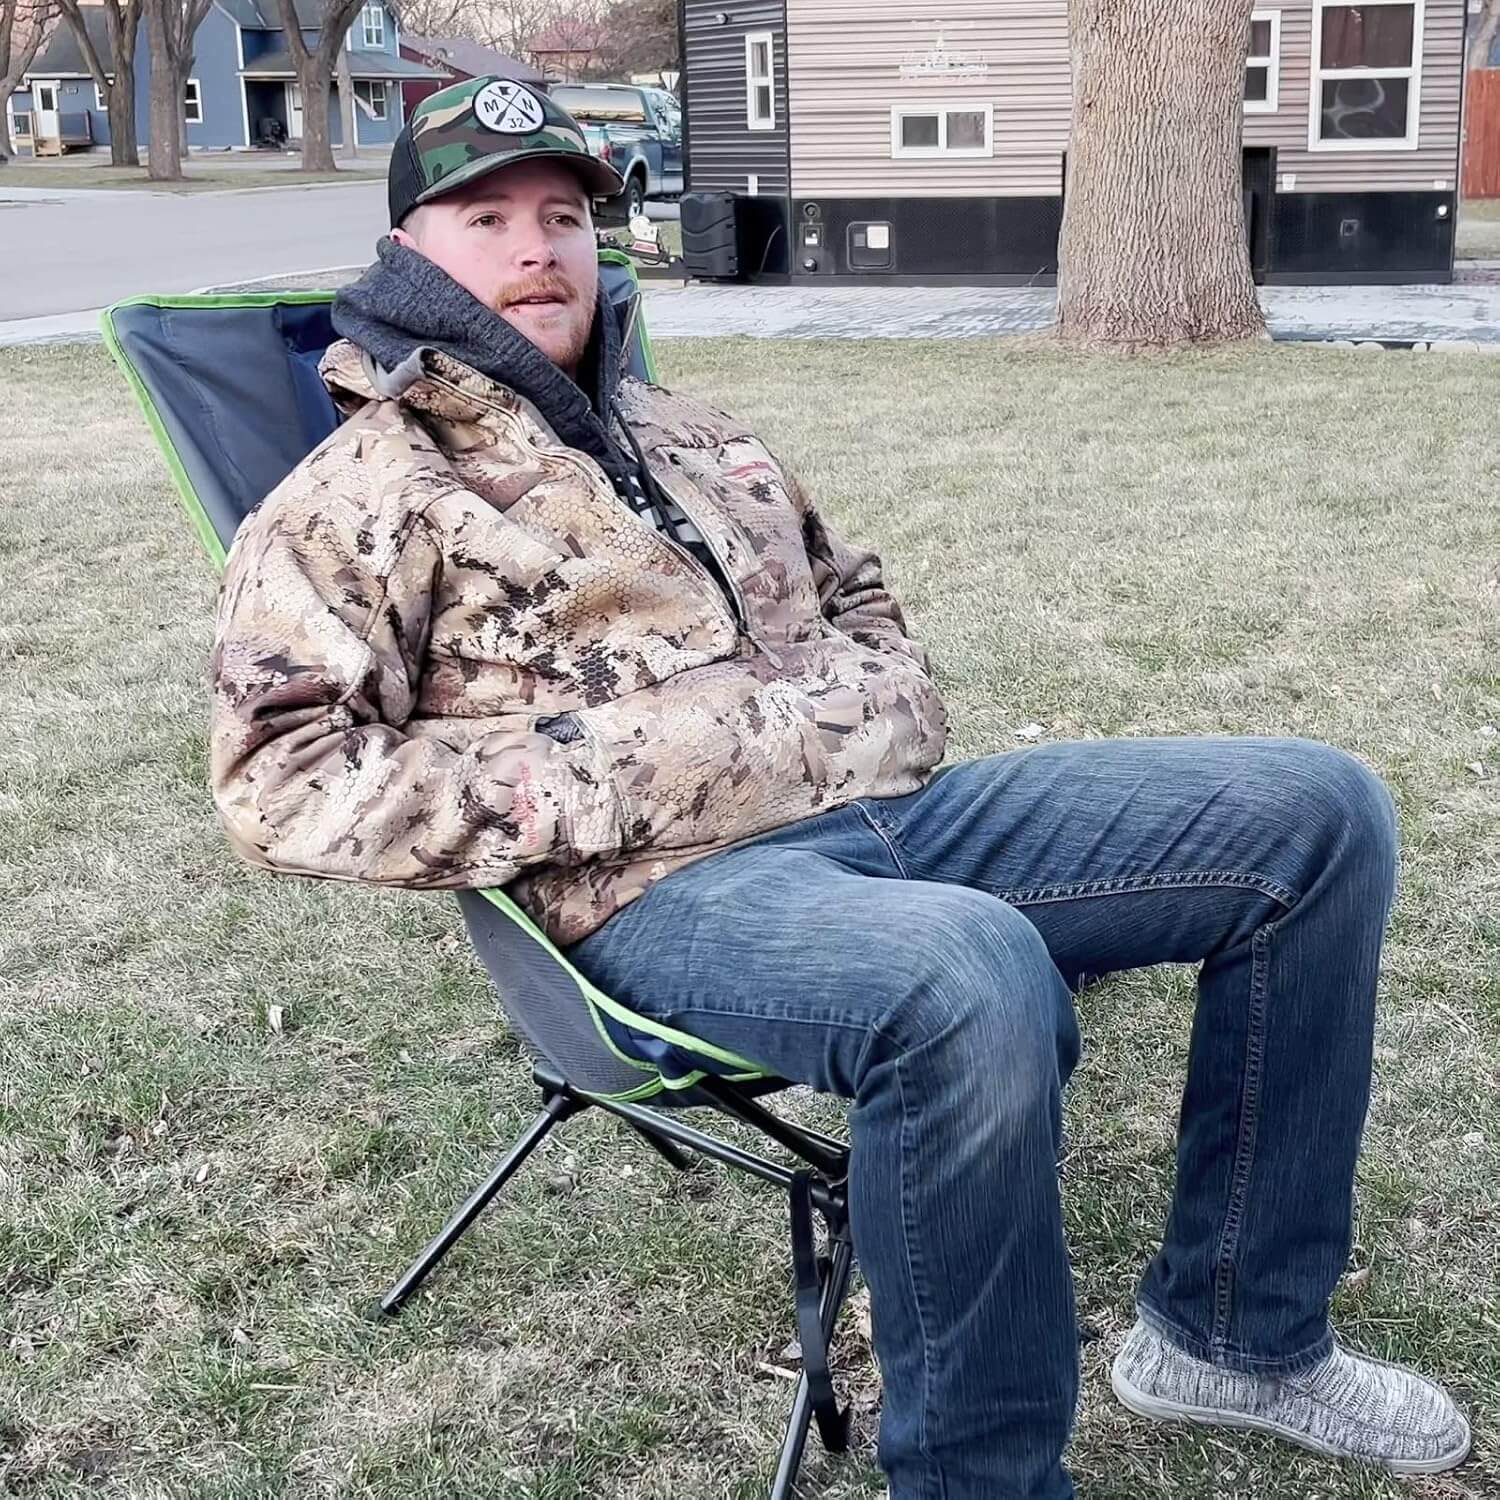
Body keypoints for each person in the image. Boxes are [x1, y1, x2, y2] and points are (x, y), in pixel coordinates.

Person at [209, 77, 1470, 1500]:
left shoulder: (686, 428)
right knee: (969, 970)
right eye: (485, 215)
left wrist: (870, 699)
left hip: (890, 815)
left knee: (1316, 810)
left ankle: (1233, 1332)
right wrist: (623, 776)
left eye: (563, 214)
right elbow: (285, 781)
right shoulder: (361, 489)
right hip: (661, 891)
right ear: (407, 256)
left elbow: (858, 591)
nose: (537, 246)